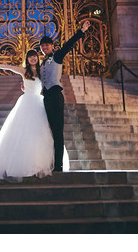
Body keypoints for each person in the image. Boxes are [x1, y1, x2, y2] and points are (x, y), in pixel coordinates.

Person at [0, 49, 67, 182]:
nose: (33, 59)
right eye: (30, 57)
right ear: (27, 59)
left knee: (41, 134)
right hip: (27, 103)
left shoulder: (42, 71)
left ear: (37, 58)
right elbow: (10, 67)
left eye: (34, 56)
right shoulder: (24, 71)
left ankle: (40, 163)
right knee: (23, 134)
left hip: (40, 104)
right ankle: (23, 163)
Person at [40, 19, 91, 172]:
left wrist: (81, 32)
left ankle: (58, 166)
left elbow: (69, 45)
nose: (44, 47)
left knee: (57, 132)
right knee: (48, 132)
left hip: (56, 96)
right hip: (46, 98)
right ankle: (49, 162)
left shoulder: (57, 56)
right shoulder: (42, 63)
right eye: (42, 46)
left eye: (47, 45)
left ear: (52, 46)